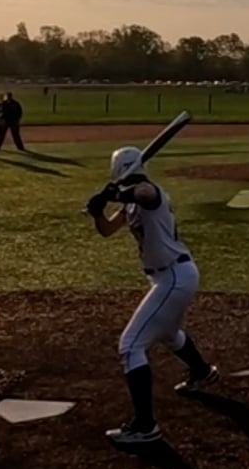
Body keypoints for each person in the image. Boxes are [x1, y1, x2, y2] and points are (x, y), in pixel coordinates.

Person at [84, 145, 220, 446]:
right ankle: (201, 371)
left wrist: (115, 194)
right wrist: (97, 211)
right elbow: (107, 230)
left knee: (130, 345)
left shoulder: (149, 192)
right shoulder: (130, 204)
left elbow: (144, 193)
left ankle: (145, 426)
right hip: (169, 276)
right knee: (169, 334)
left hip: (174, 276)